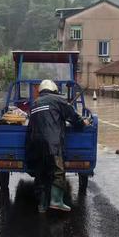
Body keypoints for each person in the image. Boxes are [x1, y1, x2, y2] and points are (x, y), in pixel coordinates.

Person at [26, 79, 87, 213]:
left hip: (35, 143)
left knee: (40, 173)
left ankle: (42, 205)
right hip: (52, 143)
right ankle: (56, 201)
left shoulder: (34, 103)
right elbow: (73, 117)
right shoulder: (57, 100)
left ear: (41, 90)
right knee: (57, 171)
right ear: (54, 89)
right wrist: (82, 124)